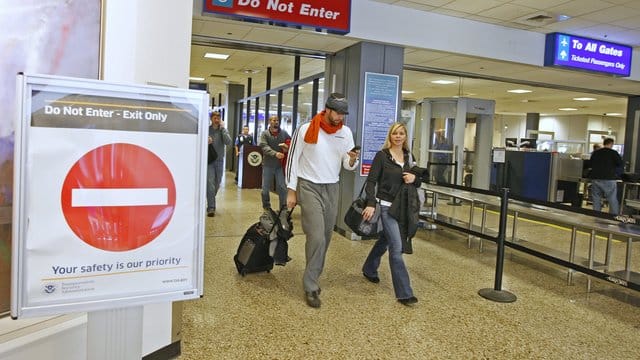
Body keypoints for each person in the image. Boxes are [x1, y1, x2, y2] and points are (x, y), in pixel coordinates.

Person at [286, 92, 359, 308]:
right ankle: (310, 285)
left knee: (326, 237)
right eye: (336, 112)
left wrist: (352, 160)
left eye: (343, 114)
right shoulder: (306, 129)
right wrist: (291, 190)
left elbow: (346, 164)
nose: (339, 117)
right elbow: (293, 159)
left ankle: (313, 273)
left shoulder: (345, 133)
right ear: (327, 109)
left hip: (332, 186)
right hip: (308, 185)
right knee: (316, 235)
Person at [361, 122, 424, 305]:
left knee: (386, 240)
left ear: (405, 136)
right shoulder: (382, 156)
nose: (398, 136)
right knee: (396, 248)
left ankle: (369, 269)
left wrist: (415, 178)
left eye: (401, 133)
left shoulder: (409, 157)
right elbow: (371, 182)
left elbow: (417, 181)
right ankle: (405, 293)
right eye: (395, 133)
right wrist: (371, 203)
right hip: (387, 207)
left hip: (403, 207)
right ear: (390, 136)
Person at [259, 115, 290, 210]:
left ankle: (283, 209)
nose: (276, 122)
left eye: (277, 120)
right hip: (268, 165)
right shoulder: (265, 134)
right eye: (273, 120)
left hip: (279, 166)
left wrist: (286, 147)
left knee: (282, 188)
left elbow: (290, 142)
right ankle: (267, 207)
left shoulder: (284, 133)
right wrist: (275, 153)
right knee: (265, 190)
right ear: (269, 122)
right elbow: (264, 146)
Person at [207, 111, 232, 217]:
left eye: (218, 117)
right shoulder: (207, 130)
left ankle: (210, 196)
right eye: (214, 117)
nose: (216, 119)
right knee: (211, 184)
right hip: (209, 161)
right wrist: (205, 141)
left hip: (220, 161)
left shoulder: (223, 130)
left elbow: (228, 142)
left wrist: (223, 129)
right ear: (211, 119)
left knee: (217, 184)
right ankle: (211, 207)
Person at [589, 137, 623, 214]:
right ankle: (613, 217)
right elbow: (620, 164)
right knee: (612, 198)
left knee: (596, 198)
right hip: (609, 179)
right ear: (611, 144)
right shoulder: (613, 153)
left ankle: (596, 215)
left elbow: (590, 164)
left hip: (596, 178)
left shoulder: (595, 153)